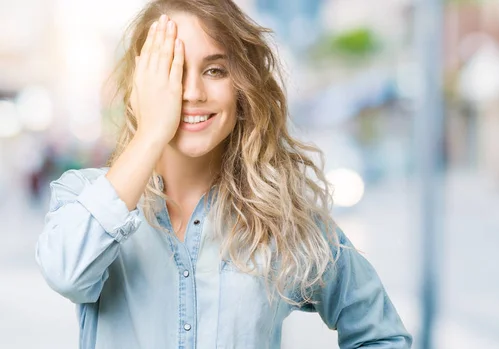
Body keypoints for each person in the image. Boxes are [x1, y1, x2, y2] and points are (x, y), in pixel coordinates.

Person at [35, 1, 412, 348]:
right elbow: (67, 273)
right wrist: (151, 132)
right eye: (173, 72)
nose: (193, 92)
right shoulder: (83, 195)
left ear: (242, 87)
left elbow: (382, 335)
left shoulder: (282, 219)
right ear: (142, 87)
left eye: (214, 70)